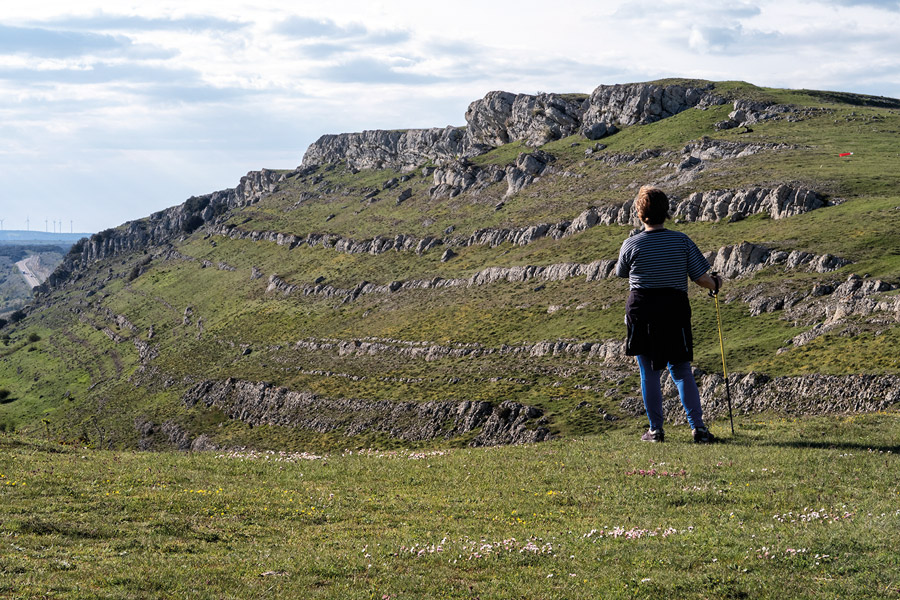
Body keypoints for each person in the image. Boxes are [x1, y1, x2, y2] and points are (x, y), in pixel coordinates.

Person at [614, 186, 722, 443]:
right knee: (681, 370)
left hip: (641, 309)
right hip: (674, 309)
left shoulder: (631, 244)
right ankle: (698, 429)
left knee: (648, 372)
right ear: (667, 212)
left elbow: (621, 272)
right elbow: (699, 277)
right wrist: (716, 284)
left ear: (640, 214)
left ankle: (655, 430)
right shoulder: (681, 240)